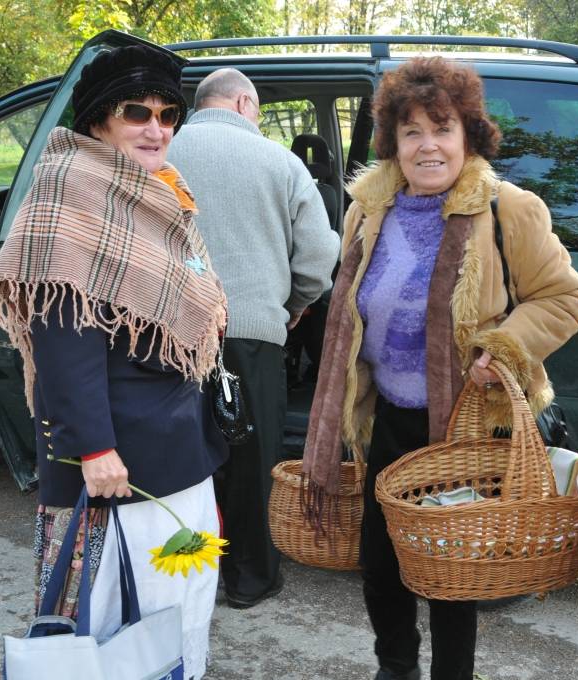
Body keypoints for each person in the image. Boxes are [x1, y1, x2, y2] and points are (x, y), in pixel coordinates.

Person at [302, 57, 578, 680]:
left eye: (442, 128)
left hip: (465, 427)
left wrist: (505, 346)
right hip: (386, 421)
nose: (427, 144)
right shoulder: (366, 212)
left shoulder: (508, 209)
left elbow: (564, 298)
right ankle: (395, 669)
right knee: (381, 565)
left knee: (451, 572)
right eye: (412, 131)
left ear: (468, 135)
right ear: (393, 142)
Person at [0, 43, 228, 679]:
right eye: (135, 113)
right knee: (118, 613)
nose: (156, 129)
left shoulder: (161, 192)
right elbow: (64, 333)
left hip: (178, 443)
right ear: (98, 120)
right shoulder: (71, 190)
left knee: (180, 597)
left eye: (167, 115)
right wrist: (93, 447)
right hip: (119, 460)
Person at [167, 68, 339, 608]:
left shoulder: (159, 152)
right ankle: (250, 580)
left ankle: (185, 575)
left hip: (168, 335)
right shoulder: (280, 162)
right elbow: (319, 254)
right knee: (250, 460)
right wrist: (295, 305)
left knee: (181, 460)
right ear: (244, 103)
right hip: (251, 333)